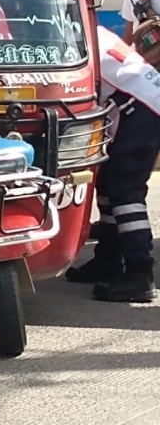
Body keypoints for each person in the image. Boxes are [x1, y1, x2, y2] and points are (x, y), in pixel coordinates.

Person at [64, 25, 159, 302]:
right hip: (140, 105)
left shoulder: (71, 36)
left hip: (140, 111)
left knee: (124, 192)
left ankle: (140, 274)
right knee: (107, 186)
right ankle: (107, 260)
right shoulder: (87, 28)